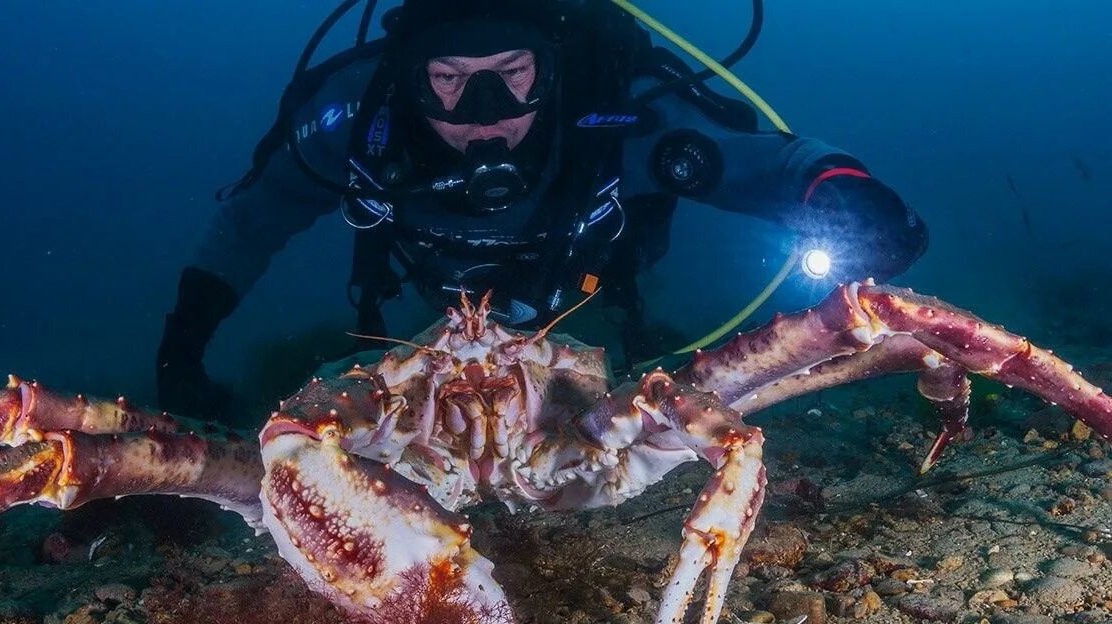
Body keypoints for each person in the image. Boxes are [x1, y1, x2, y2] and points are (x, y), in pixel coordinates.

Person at [156, 0, 929, 420]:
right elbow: (248, 224)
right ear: (406, 82)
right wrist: (181, 350)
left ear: (550, 76)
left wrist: (852, 201)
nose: (484, 110)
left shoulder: (615, 120)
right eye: (450, 80)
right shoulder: (352, 125)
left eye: (513, 75)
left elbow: (776, 162)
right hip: (434, 323)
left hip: (589, 305)